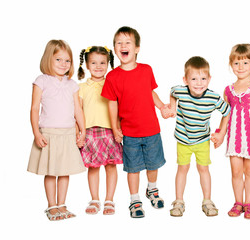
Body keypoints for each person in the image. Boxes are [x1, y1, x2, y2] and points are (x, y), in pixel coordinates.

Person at [101, 26, 168, 218]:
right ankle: (134, 199)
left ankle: (152, 190)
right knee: (133, 168)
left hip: (151, 129)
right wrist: (115, 128)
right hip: (129, 133)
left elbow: (150, 92)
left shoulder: (146, 70)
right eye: (119, 43)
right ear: (115, 49)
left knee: (153, 164)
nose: (123, 46)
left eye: (127, 42)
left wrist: (162, 106)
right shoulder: (112, 77)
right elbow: (112, 105)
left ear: (137, 48)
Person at [211, 43, 250, 219]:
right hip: (235, 137)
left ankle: (249, 204)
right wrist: (221, 134)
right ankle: (238, 202)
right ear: (231, 65)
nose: (241, 67)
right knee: (236, 172)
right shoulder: (228, 90)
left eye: (245, 63)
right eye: (237, 63)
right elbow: (226, 114)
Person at [27, 40, 86, 221]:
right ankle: (51, 205)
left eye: (67, 61)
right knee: (51, 171)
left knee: (65, 171)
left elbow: (77, 109)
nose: (63, 64)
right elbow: (34, 108)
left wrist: (82, 131)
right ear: (48, 59)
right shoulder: (41, 81)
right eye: (58, 60)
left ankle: (62, 204)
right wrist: (36, 133)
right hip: (49, 133)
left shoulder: (72, 84)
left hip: (68, 133)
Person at [164, 56, 230, 217]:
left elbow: (227, 112)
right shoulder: (181, 90)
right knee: (182, 168)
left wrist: (221, 133)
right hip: (183, 139)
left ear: (209, 79)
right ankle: (179, 201)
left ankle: (207, 201)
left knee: (203, 169)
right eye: (194, 79)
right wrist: (172, 107)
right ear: (185, 80)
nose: (199, 83)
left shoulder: (213, 97)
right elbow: (172, 91)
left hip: (202, 140)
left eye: (203, 78)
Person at [77, 46, 123, 215]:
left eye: (102, 62)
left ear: (108, 64)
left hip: (109, 131)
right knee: (93, 167)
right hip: (89, 132)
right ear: (87, 65)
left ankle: (109, 199)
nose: (98, 66)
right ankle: (95, 199)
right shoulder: (80, 87)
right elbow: (78, 111)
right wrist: (79, 132)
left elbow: (118, 107)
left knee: (111, 166)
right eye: (93, 62)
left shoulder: (112, 84)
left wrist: (118, 128)